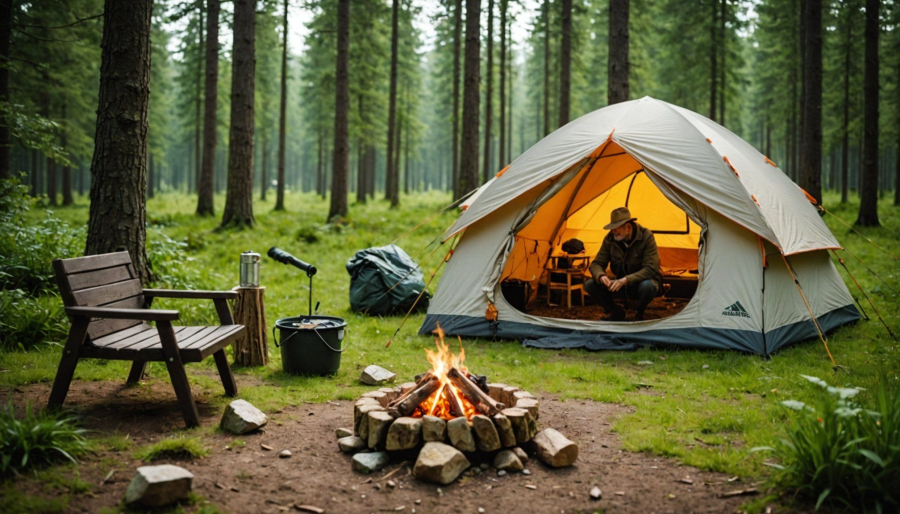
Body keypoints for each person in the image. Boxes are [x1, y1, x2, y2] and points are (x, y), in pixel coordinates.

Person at [584, 207, 662, 321]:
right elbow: (596, 264)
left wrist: (626, 280)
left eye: (616, 228)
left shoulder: (646, 237)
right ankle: (615, 311)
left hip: (640, 282)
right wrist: (601, 275)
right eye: (612, 228)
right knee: (590, 284)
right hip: (619, 284)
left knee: (648, 286)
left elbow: (650, 269)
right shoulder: (610, 239)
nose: (613, 231)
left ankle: (640, 313)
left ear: (628, 228)